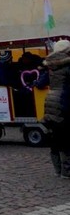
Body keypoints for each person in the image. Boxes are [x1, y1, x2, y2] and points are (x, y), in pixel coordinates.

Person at [42, 39, 70, 178]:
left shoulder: (51, 66)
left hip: (50, 102)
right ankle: (67, 171)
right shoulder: (68, 66)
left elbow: (41, 82)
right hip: (64, 102)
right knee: (66, 138)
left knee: (55, 137)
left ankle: (58, 170)